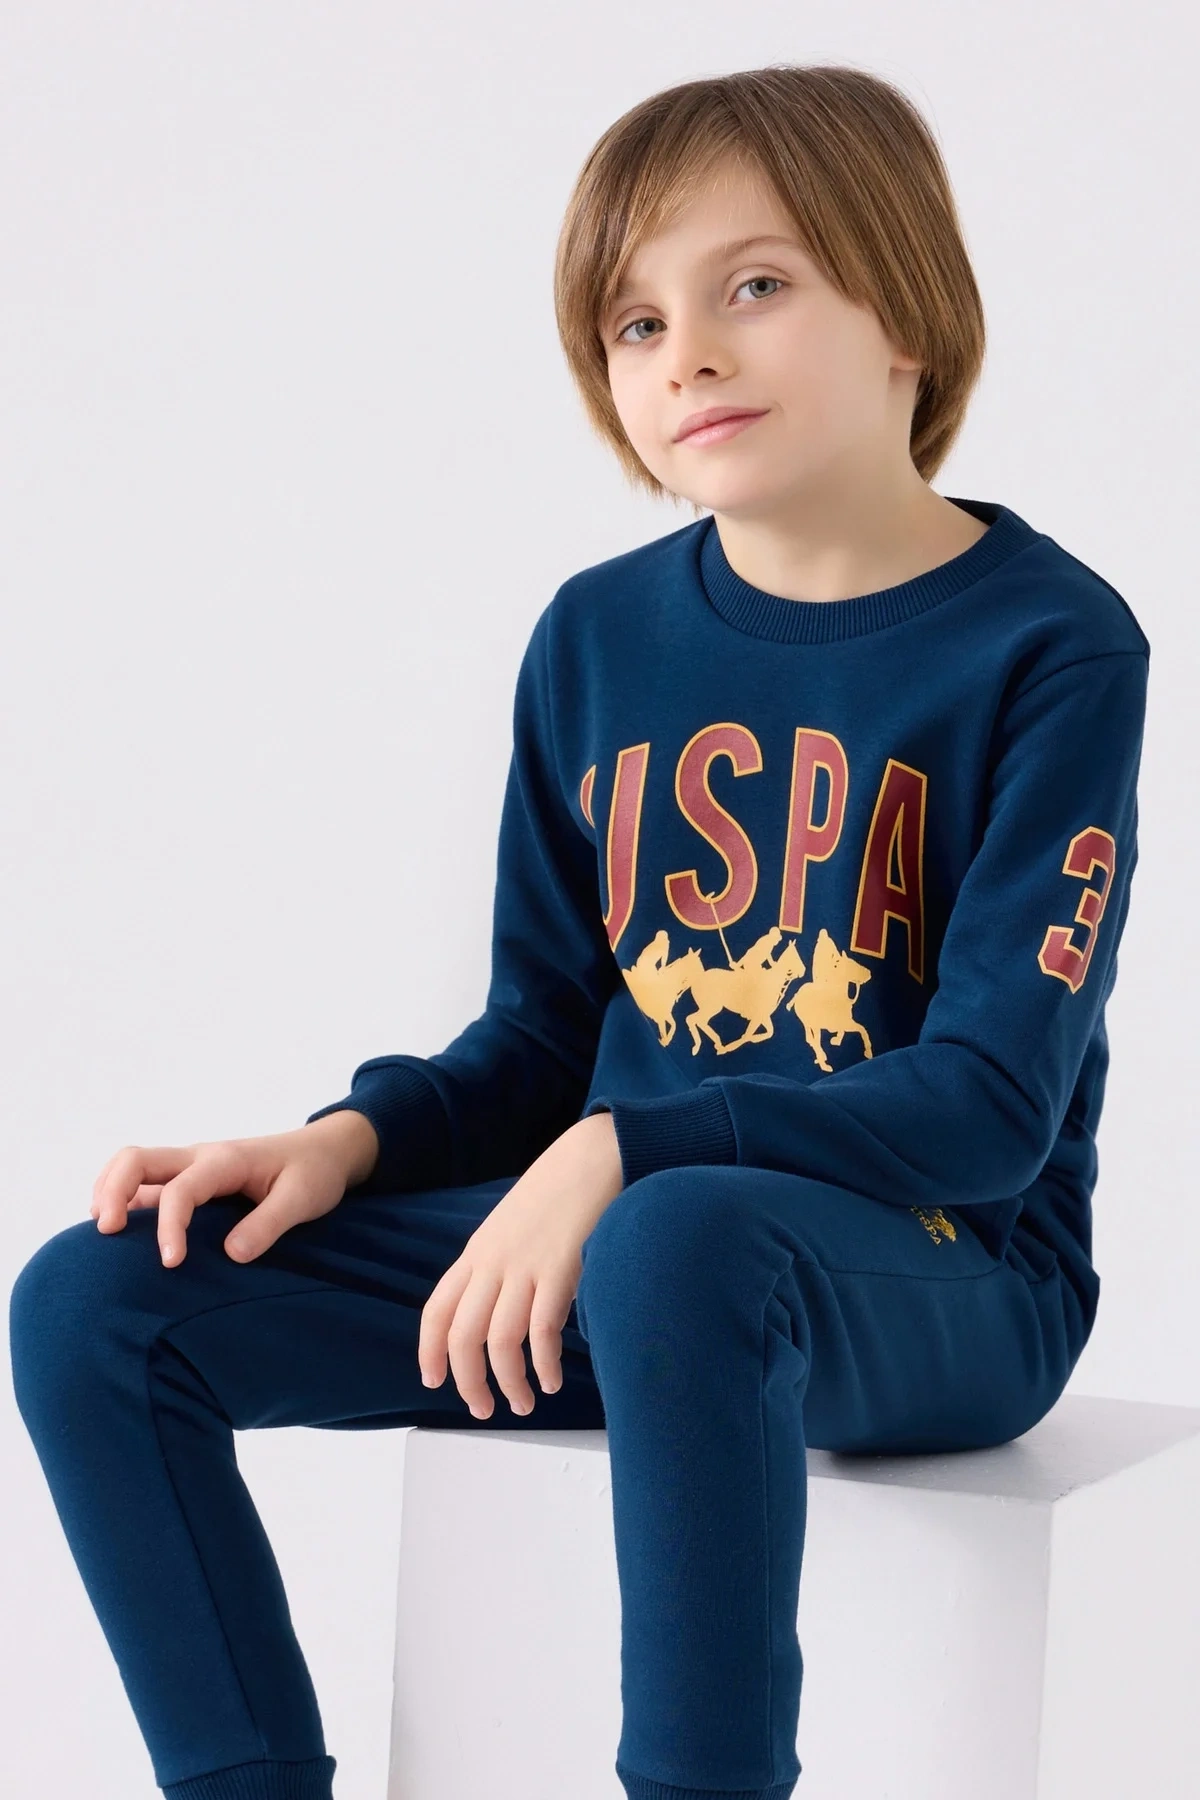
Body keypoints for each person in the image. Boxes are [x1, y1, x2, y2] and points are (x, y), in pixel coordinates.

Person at [8, 61, 1150, 1800]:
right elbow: (541, 1036)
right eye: (635, 321)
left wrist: (629, 1151)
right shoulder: (599, 640)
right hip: (632, 1265)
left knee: (674, 1237)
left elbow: (990, 1111)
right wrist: (342, 1143)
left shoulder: (1050, 646)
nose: (686, 354)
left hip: (950, 1274)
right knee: (99, 1299)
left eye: (752, 285)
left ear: (908, 312)